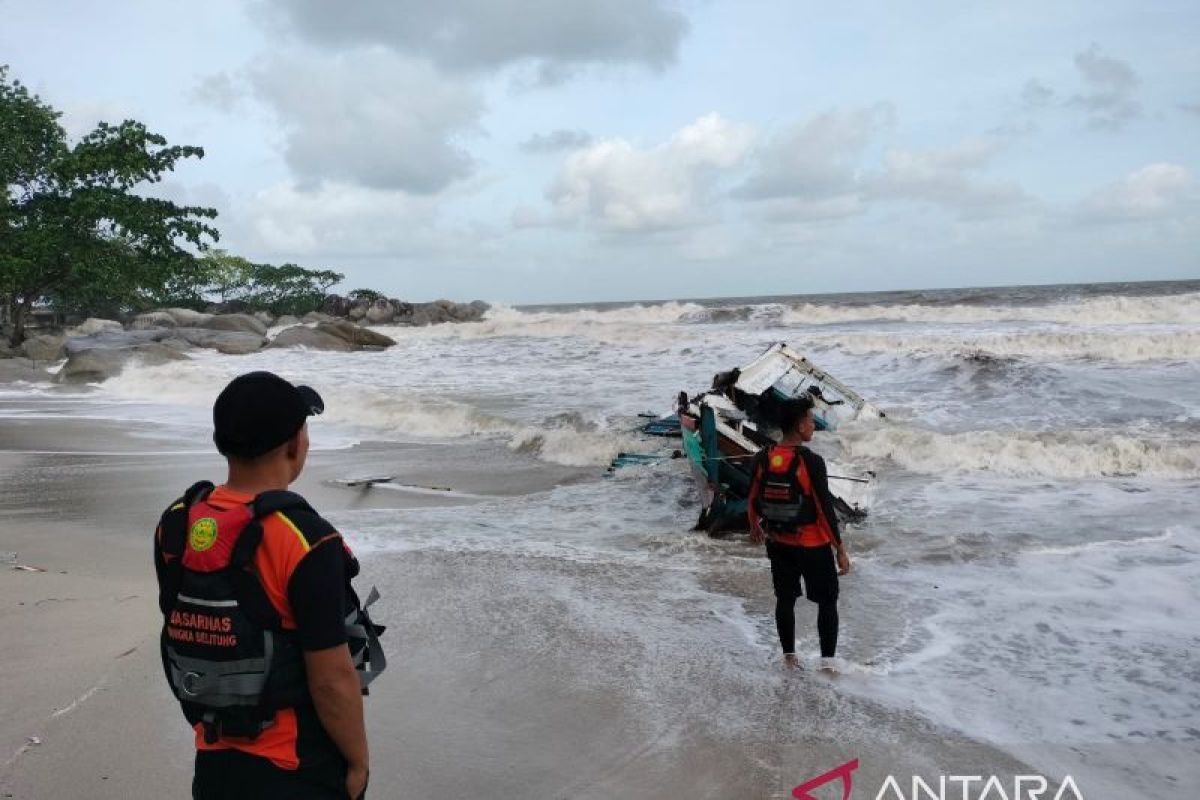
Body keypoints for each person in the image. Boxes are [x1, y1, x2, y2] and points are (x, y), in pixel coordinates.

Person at [153, 371, 385, 799]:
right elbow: (331, 678)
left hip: (214, 759)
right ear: (295, 445)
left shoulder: (179, 521)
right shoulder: (305, 538)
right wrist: (358, 762)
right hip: (296, 765)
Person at [748, 395, 851, 670]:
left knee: (785, 598)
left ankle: (789, 657)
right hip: (812, 544)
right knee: (827, 600)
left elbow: (753, 496)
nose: (813, 426)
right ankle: (827, 662)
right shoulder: (811, 461)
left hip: (779, 541)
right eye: (810, 421)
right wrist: (839, 548)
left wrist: (753, 525)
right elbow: (823, 507)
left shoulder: (764, 456)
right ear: (799, 425)